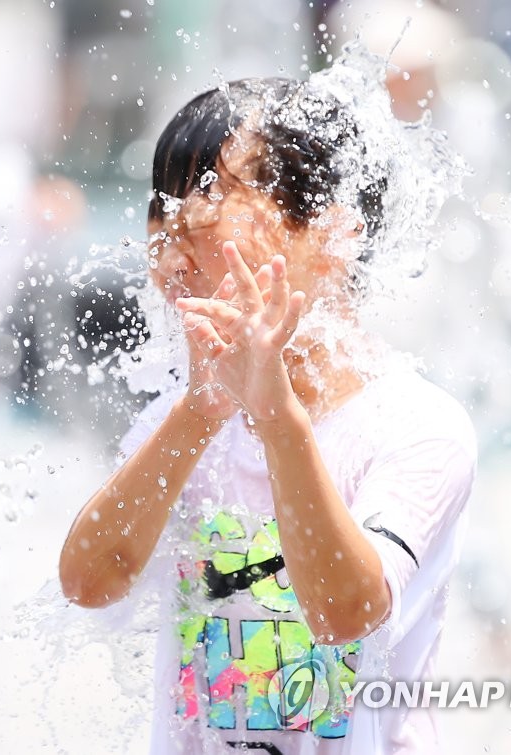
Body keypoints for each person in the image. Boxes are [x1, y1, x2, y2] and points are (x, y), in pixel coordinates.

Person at [59, 76, 477, 753]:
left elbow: (346, 610)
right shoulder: (183, 419)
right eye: (160, 230)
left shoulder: (415, 427)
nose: (170, 264)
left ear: (333, 234)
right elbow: (89, 580)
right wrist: (200, 411)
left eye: (200, 225)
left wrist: (277, 415)